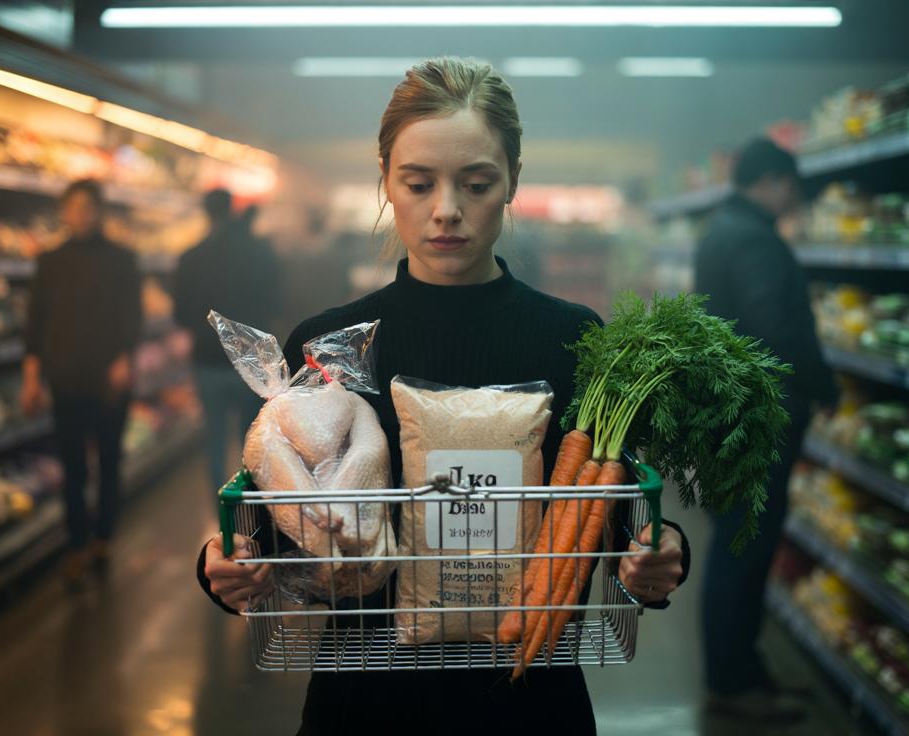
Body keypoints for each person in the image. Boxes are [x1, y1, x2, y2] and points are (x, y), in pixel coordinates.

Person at [197, 58, 691, 735]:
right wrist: (226, 562)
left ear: (514, 180)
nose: (447, 210)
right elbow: (269, 527)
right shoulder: (325, 347)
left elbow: (608, 517)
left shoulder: (574, 338)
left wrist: (655, 553)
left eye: (477, 182)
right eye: (419, 183)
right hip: (364, 704)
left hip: (529, 697)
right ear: (386, 182)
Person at [693, 138, 838, 722]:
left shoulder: (722, 229)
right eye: (791, 189)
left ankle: (746, 672)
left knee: (739, 549)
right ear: (773, 181)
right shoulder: (753, 238)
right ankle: (733, 682)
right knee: (742, 551)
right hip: (756, 416)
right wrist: (824, 384)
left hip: (733, 414)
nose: (792, 201)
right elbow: (774, 329)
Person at [21, 179, 143, 584]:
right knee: (73, 467)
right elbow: (35, 323)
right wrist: (32, 377)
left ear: (99, 212)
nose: (81, 215)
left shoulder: (122, 260)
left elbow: (131, 316)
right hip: (66, 377)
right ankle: (76, 544)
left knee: (109, 461)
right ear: (64, 212)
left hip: (109, 379)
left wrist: (125, 358)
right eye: (73, 208)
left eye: (88, 208)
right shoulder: (50, 261)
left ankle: (103, 538)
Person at [172, 190, 282, 492]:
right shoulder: (260, 254)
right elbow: (276, 303)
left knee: (215, 440)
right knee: (254, 439)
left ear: (205, 213)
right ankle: (254, 505)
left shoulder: (191, 258)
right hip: (252, 363)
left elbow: (180, 316)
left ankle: (224, 512)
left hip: (207, 361)